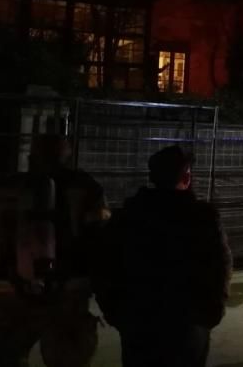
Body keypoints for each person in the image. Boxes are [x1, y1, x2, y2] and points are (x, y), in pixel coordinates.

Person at [0, 134, 108, 367]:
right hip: (70, 288)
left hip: (11, 283)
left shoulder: (5, 187)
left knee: (4, 357)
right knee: (68, 360)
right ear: (65, 155)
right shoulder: (86, 186)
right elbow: (99, 238)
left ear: (31, 156)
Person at [95, 145, 231, 367]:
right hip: (188, 320)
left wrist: (116, 312)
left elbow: (104, 264)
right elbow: (219, 265)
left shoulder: (129, 216)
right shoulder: (201, 218)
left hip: (138, 319)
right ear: (186, 177)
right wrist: (211, 311)